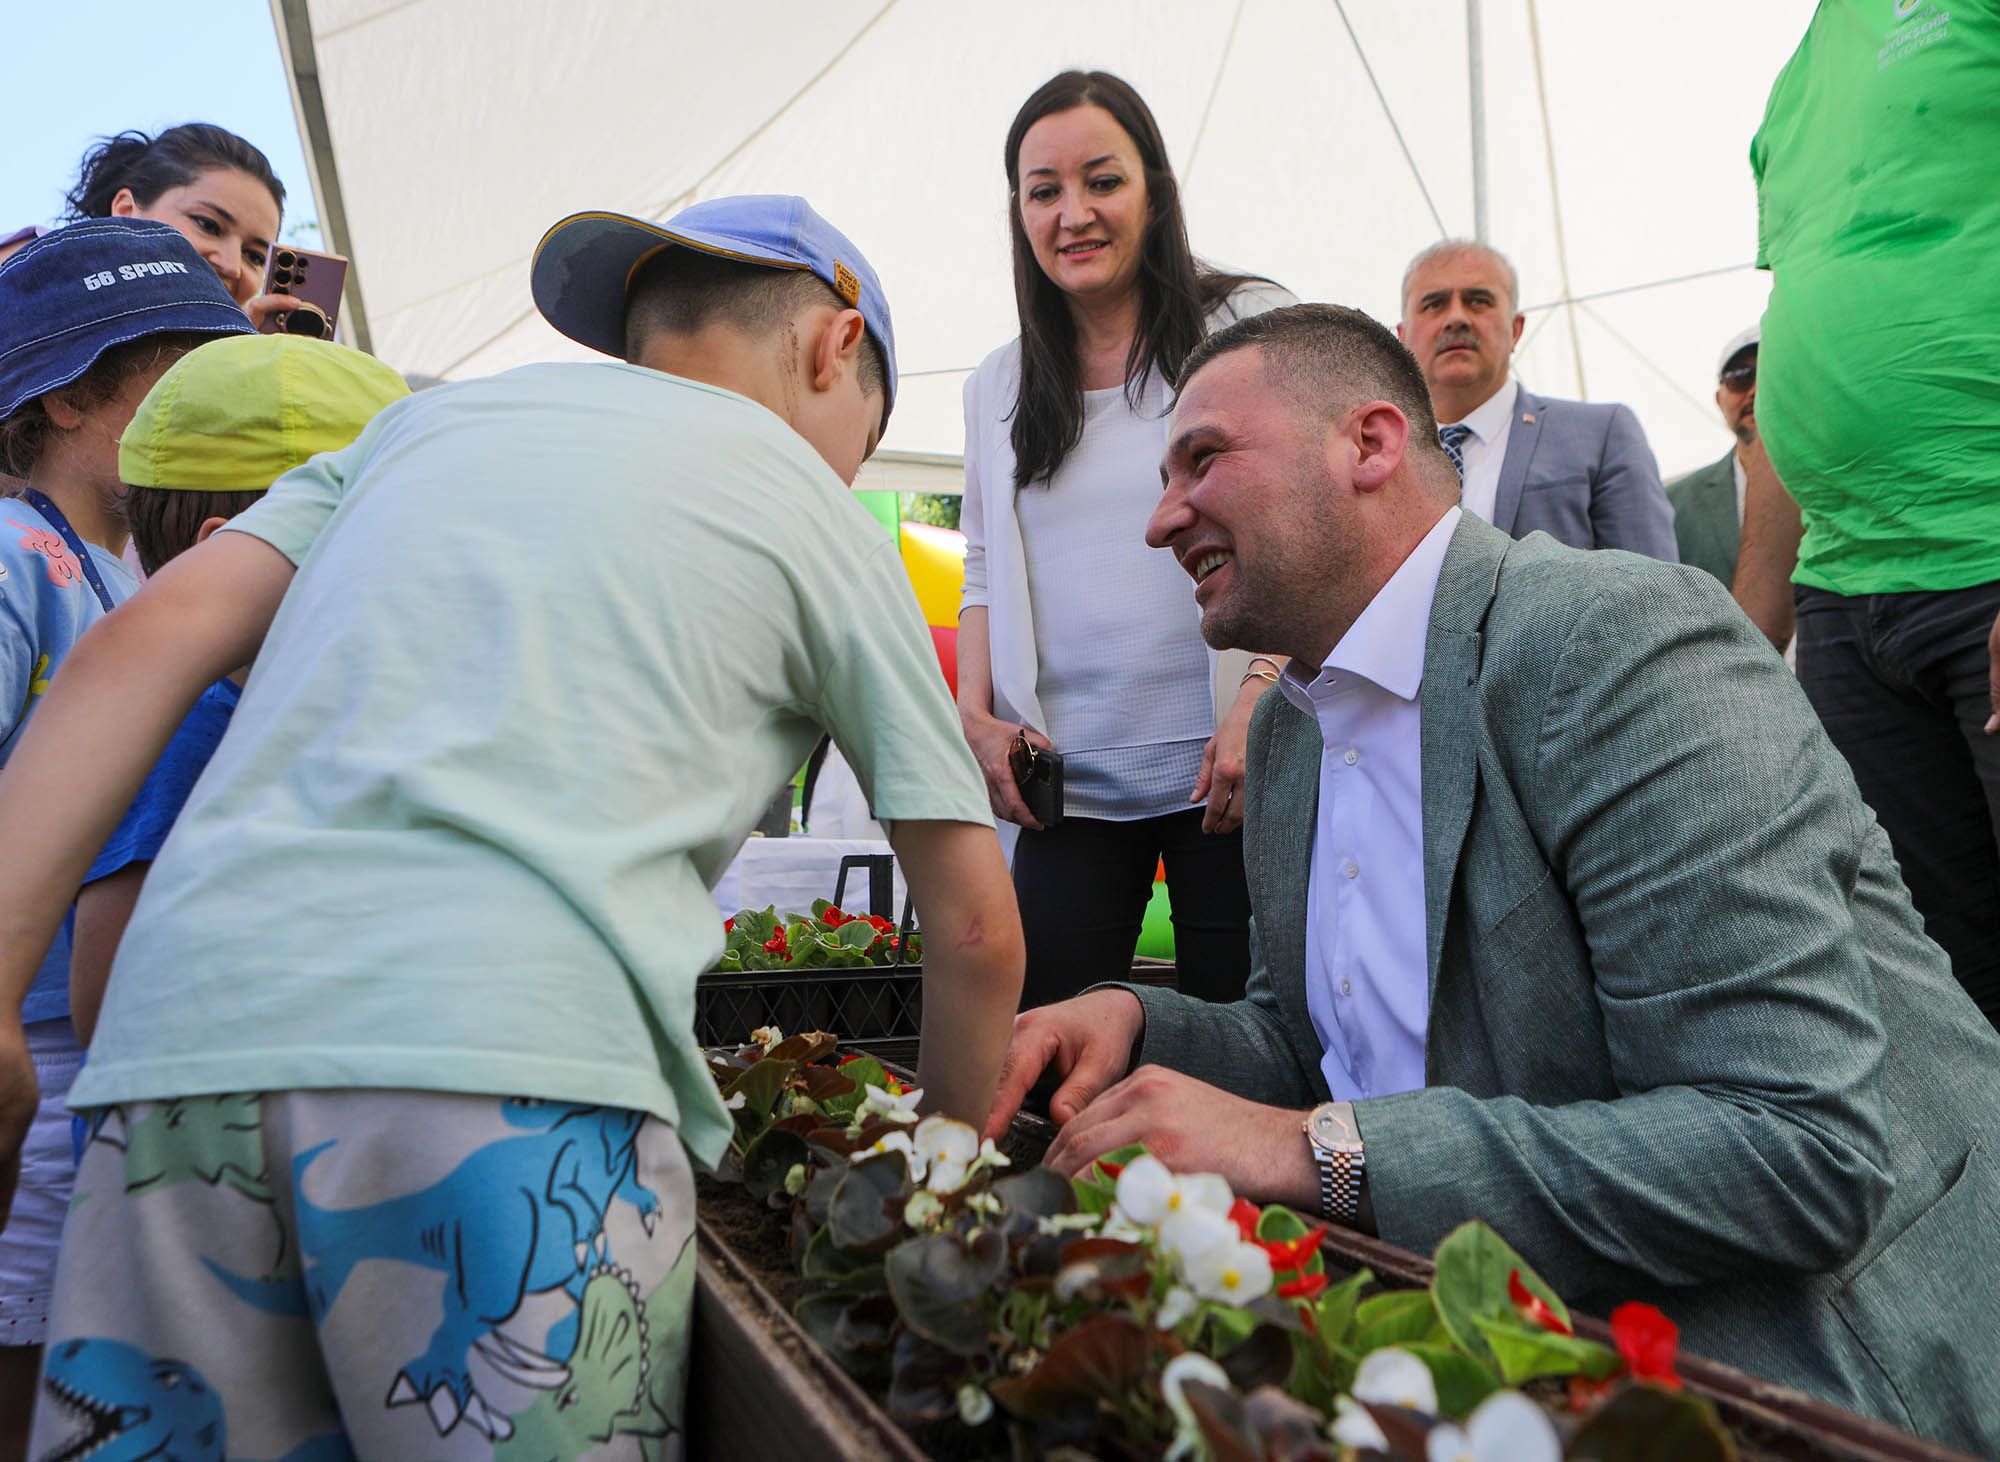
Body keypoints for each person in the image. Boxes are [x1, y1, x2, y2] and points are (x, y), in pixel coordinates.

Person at [0, 193, 1022, 1461]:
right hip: (514, 1083)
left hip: (175, 1054)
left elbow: (138, 644)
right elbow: (974, 929)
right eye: (860, 444)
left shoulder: (420, 430)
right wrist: (934, 1193)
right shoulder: (815, 514)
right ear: (834, 347)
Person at [986, 303, 2000, 1455]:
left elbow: (1793, 1147)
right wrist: (1133, 1020)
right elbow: (1318, 1047)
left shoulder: (1611, 643)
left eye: (1201, 459)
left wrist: (1304, 1149)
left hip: (1810, 1387)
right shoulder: (1287, 738)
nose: (1161, 518)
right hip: (1500, 1368)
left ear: (1368, 445)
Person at [0, 218, 254, 1461]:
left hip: (88, 1059)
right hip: (30, 1055)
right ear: (60, 398)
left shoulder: (133, 578)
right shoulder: (13, 561)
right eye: (173, 382)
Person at [959, 70, 1292, 1008]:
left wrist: (1261, 694)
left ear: (1154, 188)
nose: (1075, 213)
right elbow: (981, 564)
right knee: (1052, 1047)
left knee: (1252, 1039)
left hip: (1232, 767)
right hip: (1066, 787)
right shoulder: (998, 383)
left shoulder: (1248, 325)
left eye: (1102, 181)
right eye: (1044, 190)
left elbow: (1310, 521)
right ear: (1019, 212)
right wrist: (975, 719)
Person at [1733, 1, 2000, 1028]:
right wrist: (1748, 633)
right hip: (1844, 606)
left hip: (1981, 558)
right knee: (1938, 993)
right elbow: (1798, 334)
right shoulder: (1792, 86)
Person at [69, 333, 411, 1044]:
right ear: (226, 550)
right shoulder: (171, 737)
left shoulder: (361, 703)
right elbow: (107, 1005)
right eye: (390, 531)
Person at [1397, 239, 1678, 559]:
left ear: (1516, 329)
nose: (1457, 318)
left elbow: (1654, 590)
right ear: (1402, 336)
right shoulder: (1374, 456)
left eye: (1478, 301)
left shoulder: (1602, 435)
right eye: (1434, 304)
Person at [63, 124, 300, 331]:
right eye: (208, 225)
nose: (232, 266)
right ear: (126, 212)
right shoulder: (42, 304)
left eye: (255, 257)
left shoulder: (252, 363)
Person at [1664, 326, 1757, 585]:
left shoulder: (1844, 479)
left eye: (1772, 375)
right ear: (1719, 399)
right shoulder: (1673, 505)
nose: (1756, 390)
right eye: (1740, 377)